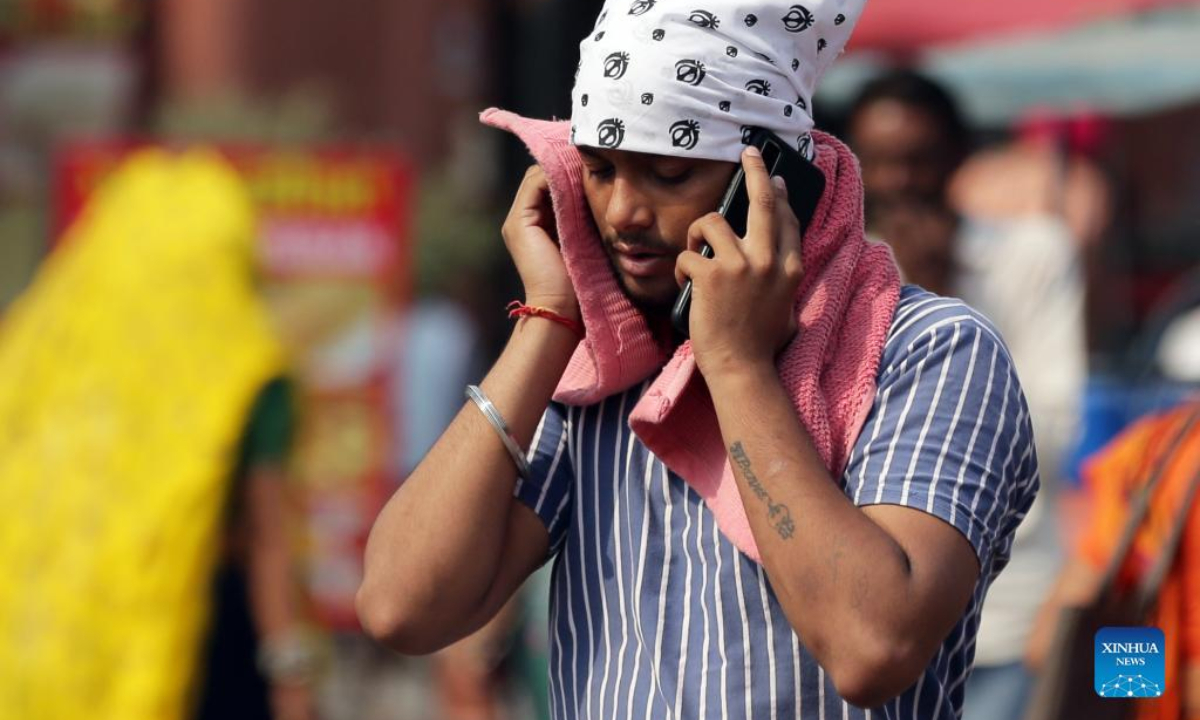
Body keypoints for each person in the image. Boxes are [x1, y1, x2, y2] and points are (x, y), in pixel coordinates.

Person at [359, 2, 1038, 718]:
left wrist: (737, 367)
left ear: (776, 181)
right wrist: (550, 318)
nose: (621, 211)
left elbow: (871, 646)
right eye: (597, 170)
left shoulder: (931, 352)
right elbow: (404, 607)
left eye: (669, 173)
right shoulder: (603, 366)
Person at [0, 150, 316, 720]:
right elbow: (270, 539)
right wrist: (292, 672)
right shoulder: (250, 377)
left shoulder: (32, 359)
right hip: (212, 653)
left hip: (55, 646)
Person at [847, 70, 1085, 720]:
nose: (898, 182)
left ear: (957, 159)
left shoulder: (1031, 254)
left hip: (1010, 608)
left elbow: (1049, 431)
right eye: (881, 163)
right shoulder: (831, 276)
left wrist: (936, 305)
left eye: (918, 161)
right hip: (874, 604)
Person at [1028, 398, 1200, 720]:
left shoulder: (1158, 448)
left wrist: (1147, 676)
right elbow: (1052, 641)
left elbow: (1052, 642)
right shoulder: (1160, 451)